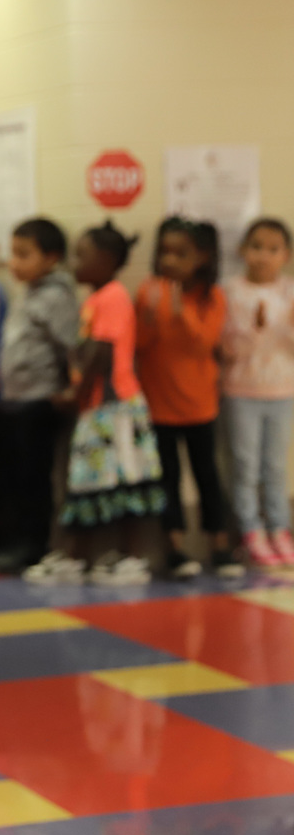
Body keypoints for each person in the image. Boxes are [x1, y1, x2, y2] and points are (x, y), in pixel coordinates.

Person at [26, 222, 165, 586]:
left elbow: (101, 353)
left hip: (115, 407)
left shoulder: (114, 297)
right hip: (95, 407)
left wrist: (75, 394)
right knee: (87, 481)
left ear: (105, 259)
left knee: (125, 481)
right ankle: (78, 557)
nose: (75, 263)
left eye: (82, 255)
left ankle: (134, 558)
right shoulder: (94, 299)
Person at [135, 217, 230, 578]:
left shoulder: (212, 296)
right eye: (164, 253)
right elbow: (141, 347)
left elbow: (205, 343)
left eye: (181, 254)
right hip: (158, 405)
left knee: (207, 474)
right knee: (167, 480)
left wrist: (182, 313)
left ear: (202, 257)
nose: (170, 261)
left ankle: (219, 546)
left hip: (199, 404)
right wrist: (147, 317)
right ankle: (176, 549)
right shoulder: (149, 290)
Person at [0, 218, 79, 574]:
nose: (14, 263)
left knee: (34, 478)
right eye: (13, 254)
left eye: (24, 255)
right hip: (16, 398)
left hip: (39, 400)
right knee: (16, 475)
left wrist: (69, 389)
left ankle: (34, 545)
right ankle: (15, 540)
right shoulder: (30, 291)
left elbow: (70, 348)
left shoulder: (56, 297)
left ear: (51, 257)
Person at [221, 217, 294, 567]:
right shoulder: (230, 291)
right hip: (241, 390)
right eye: (257, 247)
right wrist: (253, 331)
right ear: (242, 250)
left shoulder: (289, 292)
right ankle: (250, 530)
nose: (264, 256)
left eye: (273, 249)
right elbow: (225, 349)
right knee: (245, 465)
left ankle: (280, 528)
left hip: (282, 391)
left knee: (275, 466)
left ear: (286, 255)